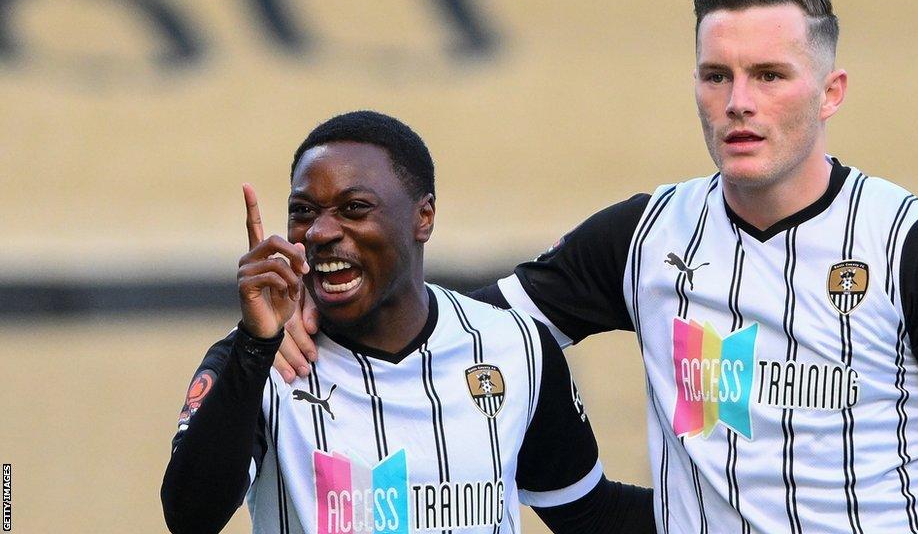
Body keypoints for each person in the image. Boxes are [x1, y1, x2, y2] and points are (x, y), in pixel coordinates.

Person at [275, 0, 918, 533]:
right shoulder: (646, 236)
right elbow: (467, 332)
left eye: (769, 75)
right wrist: (325, 307)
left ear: (830, 92)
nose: (738, 101)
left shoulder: (912, 245)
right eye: (716, 75)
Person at [160, 111, 655, 534]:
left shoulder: (516, 347)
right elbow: (191, 517)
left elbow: (589, 514)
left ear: (424, 217)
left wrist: (730, 511)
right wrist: (253, 345)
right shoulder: (255, 360)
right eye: (303, 211)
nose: (321, 232)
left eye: (354, 208)